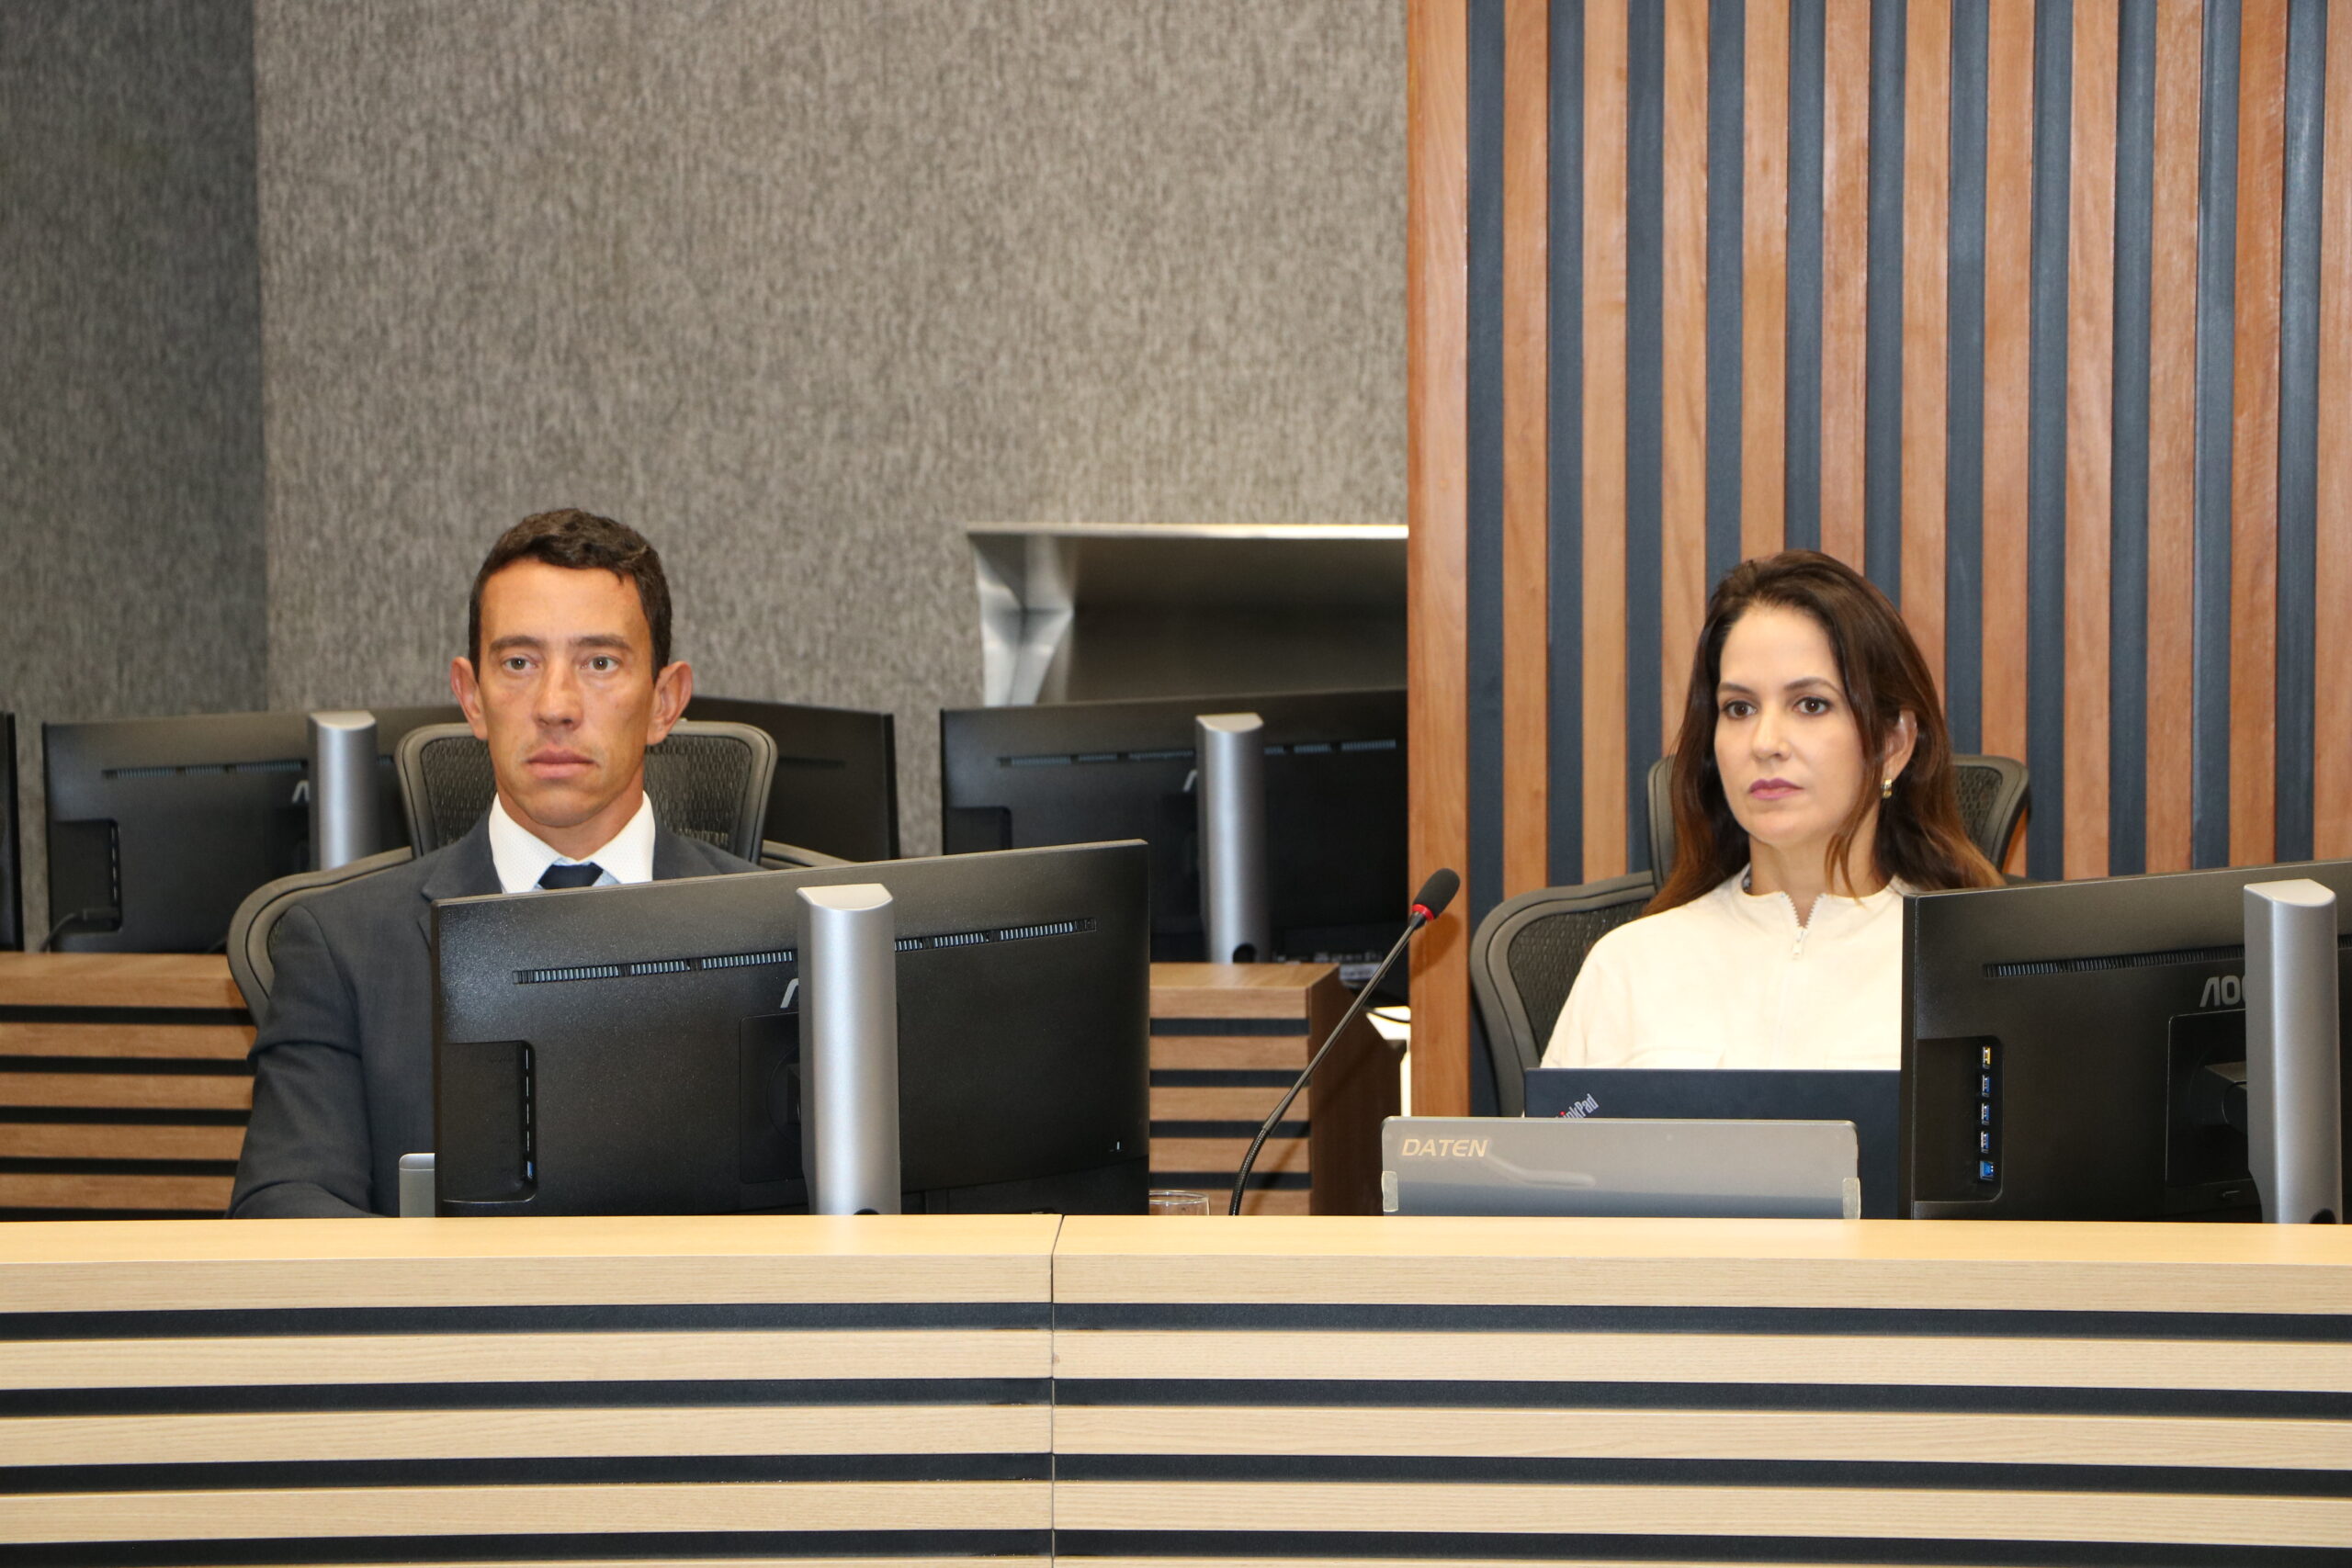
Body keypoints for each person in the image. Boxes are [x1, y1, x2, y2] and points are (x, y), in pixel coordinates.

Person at [230, 511, 757, 1217]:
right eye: (519, 663)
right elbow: (283, 1209)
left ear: (665, 702)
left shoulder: (779, 931)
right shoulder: (340, 947)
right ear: (471, 698)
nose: (555, 706)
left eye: (600, 662)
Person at [1543, 550, 2000, 1072]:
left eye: (1810, 705)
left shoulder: (1971, 969)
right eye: (1739, 708)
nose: (1765, 743)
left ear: (1893, 742)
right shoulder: (1628, 967)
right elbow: (1550, 1150)